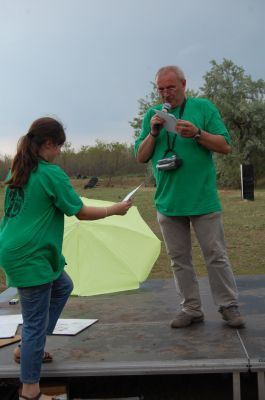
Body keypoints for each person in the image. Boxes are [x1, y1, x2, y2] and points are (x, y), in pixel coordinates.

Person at [0, 117, 132, 400]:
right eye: (59, 145)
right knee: (35, 324)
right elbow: (81, 212)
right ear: (48, 144)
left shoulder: (19, 171)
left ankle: (26, 349)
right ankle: (30, 390)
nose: (60, 151)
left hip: (16, 250)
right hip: (31, 256)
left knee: (62, 285)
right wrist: (115, 209)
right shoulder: (50, 173)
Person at [134, 65, 245, 330]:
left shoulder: (204, 108)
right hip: (168, 202)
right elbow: (140, 156)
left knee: (215, 255)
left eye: (170, 87)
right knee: (178, 260)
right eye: (160, 89)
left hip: (202, 199)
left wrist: (197, 134)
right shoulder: (153, 115)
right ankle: (191, 308)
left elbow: (225, 145)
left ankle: (228, 306)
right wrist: (153, 132)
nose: (165, 94)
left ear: (184, 84)